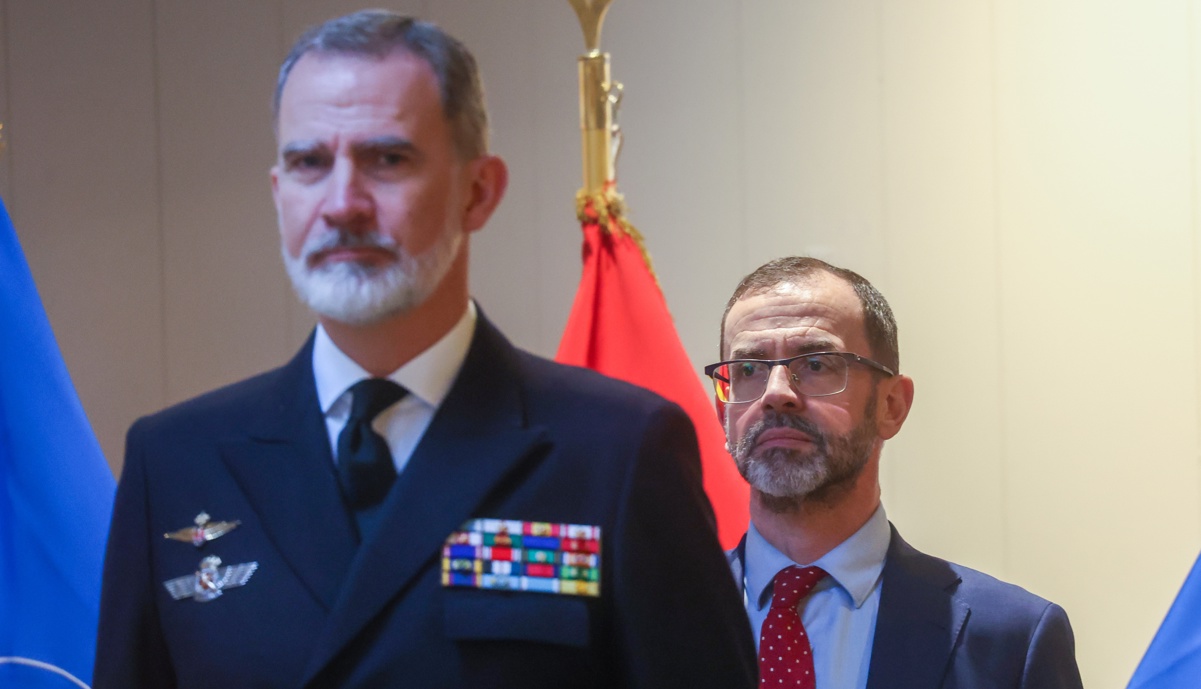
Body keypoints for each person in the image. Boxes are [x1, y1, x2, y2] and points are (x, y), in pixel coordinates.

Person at [94, 11, 755, 689]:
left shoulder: (615, 451)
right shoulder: (176, 461)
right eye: (308, 163)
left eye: (388, 159)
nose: (342, 202)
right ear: (278, 194)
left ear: (478, 191)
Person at [707, 256, 1083, 688]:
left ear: (892, 405)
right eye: (749, 369)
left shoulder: (1012, 641)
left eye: (815, 365)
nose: (776, 394)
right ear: (724, 412)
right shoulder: (651, 615)